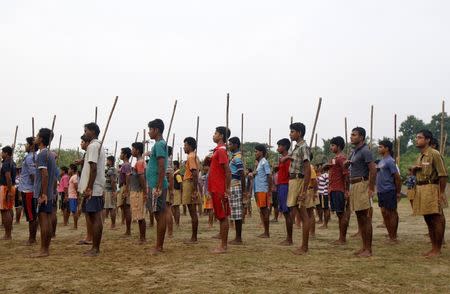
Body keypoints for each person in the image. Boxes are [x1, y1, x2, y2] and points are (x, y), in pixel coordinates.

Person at [412, 130, 447, 257]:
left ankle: (437, 249)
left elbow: (443, 175)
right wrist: (414, 170)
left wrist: (441, 192)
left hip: (432, 187)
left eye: (420, 137)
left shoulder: (434, 154)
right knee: (428, 219)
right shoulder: (421, 155)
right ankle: (433, 247)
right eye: (417, 137)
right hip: (421, 188)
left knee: (435, 219)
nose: (417, 139)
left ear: (427, 140)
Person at [281, 122, 311, 255]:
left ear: (299, 132)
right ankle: (302, 245)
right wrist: (287, 157)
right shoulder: (297, 148)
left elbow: (307, 169)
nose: (290, 134)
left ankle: (304, 247)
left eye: (292, 131)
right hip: (293, 180)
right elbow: (295, 159)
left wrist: (304, 190)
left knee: (303, 215)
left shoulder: (303, 147)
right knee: (296, 210)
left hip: (299, 180)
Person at [347, 127, 377, 258]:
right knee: (360, 217)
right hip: (354, 184)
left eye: (354, 135)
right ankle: (364, 247)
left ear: (361, 137)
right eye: (351, 134)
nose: (351, 137)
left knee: (365, 218)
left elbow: (373, 170)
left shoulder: (365, 151)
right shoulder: (354, 152)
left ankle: (368, 249)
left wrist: (370, 188)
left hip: (362, 184)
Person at [78, 122, 106, 257]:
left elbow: (93, 168)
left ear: (93, 132)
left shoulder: (94, 146)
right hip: (93, 187)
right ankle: (94, 247)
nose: (84, 133)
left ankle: (95, 248)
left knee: (95, 218)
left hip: (93, 188)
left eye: (86, 130)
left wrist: (89, 187)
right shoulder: (96, 146)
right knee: (92, 216)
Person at [32, 128, 56, 257]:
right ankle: (45, 249)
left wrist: (43, 194)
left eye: (37, 136)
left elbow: (45, 175)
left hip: (43, 193)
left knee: (43, 220)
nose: (35, 138)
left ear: (41, 139)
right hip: (48, 192)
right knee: (46, 219)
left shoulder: (42, 154)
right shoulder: (50, 154)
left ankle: (44, 250)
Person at [208, 126, 232, 254]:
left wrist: (227, 189)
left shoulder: (221, 151)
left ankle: (224, 246)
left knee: (223, 217)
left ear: (221, 136)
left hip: (220, 188)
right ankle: (223, 244)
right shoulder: (217, 151)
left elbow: (228, 171)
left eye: (215, 133)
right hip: (215, 187)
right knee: (221, 216)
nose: (213, 135)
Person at [146, 119, 168, 255]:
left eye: (150, 129)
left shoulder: (160, 144)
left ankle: (159, 247)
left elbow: (161, 165)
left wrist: (159, 186)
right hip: (155, 184)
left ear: (156, 130)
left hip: (157, 185)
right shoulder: (159, 145)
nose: (149, 132)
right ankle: (159, 245)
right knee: (157, 213)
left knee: (159, 214)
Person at [376, 140, 402, 243]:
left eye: (381, 147)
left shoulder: (390, 161)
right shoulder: (382, 161)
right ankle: (390, 233)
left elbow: (397, 177)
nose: (379, 149)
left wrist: (398, 192)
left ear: (387, 148)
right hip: (381, 191)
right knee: (384, 212)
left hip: (389, 190)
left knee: (391, 213)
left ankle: (393, 237)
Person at [328, 136, 350, 245]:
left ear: (339, 146)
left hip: (339, 189)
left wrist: (346, 190)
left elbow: (346, 174)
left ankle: (343, 238)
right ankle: (341, 237)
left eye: (333, 145)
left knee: (341, 214)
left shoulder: (341, 158)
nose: (330, 147)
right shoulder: (334, 159)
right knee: (339, 214)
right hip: (333, 189)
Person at [18, 137, 38, 245]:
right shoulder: (31, 157)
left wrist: (36, 189)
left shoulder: (31, 158)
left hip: (29, 190)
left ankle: (32, 239)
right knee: (32, 215)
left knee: (31, 216)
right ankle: (32, 238)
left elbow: (33, 175)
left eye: (27, 144)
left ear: (31, 146)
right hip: (28, 190)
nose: (25, 146)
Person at [182, 137, 200, 244]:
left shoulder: (191, 156)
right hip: (189, 183)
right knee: (192, 211)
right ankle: (193, 237)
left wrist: (194, 190)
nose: (184, 147)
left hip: (190, 183)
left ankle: (194, 238)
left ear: (190, 146)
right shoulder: (193, 156)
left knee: (193, 212)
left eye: (185, 145)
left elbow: (194, 173)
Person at [228, 137, 245, 245]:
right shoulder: (234, 157)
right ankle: (237, 237)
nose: (229, 146)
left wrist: (243, 191)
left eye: (230, 144)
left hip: (235, 186)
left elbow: (242, 174)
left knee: (237, 213)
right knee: (235, 212)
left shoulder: (237, 158)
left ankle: (238, 238)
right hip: (233, 185)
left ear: (235, 145)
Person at [129, 142, 147, 244]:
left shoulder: (140, 162)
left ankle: (143, 238)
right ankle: (142, 237)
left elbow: (141, 177)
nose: (132, 151)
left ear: (138, 151)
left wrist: (144, 192)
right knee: (139, 215)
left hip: (138, 192)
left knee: (140, 216)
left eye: (133, 149)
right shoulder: (139, 162)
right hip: (137, 191)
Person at [254, 144, 272, 238]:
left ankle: (267, 232)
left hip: (263, 189)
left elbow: (269, 176)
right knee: (262, 210)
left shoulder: (264, 162)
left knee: (265, 210)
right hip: (259, 189)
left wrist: (269, 190)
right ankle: (265, 231)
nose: (255, 153)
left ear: (261, 152)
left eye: (256, 151)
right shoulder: (260, 163)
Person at [276, 138, 292, 245]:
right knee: (285, 212)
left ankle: (289, 239)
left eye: (279, 146)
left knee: (287, 213)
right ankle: (288, 237)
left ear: (285, 147)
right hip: (281, 186)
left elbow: (290, 173)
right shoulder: (282, 159)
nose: (278, 148)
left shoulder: (288, 160)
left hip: (285, 186)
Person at [0, 146, 17, 240]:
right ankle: (8, 233)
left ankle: (7, 235)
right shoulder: (12, 162)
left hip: (6, 187)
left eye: (2, 152)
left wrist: (9, 191)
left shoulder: (6, 163)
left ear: (6, 153)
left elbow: (8, 177)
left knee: (4, 210)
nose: (1, 154)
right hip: (11, 187)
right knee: (9, 209)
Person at [117, 148, 132, 236]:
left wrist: (126, 190)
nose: (120, 154)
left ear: (125, 155)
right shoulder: (124, 165)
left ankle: (128, 230)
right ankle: (127, 230)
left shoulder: (126, 165)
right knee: (124, 208)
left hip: (125, 187)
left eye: (121, 153)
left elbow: (128, 177)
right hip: (123, 187)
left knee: (126, 209)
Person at [104, 156, 117, 229]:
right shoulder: (110, 169)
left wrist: (113, 191)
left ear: (111, 161)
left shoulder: (111, 169)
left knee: (111, 207)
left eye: (107, 160)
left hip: (110, 190)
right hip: (108, 190)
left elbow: (113, 181)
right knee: (109, 207)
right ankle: (112, 224)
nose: (106, 162)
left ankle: (113, 225)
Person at [67, 164, 79, 230]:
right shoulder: (73, 176)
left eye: (69, 169)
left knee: (74, 211)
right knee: (74, 211)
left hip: (73, 196)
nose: (68, 170)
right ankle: (75, 226)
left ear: (72, 170)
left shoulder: (74, 177)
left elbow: (76, 185)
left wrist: (77, 194)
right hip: (72, 196)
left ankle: (75, 226)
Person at [172, 160, 183, 227]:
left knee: (176, 207)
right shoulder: (175, 173)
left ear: (175, 165)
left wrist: (181, 192)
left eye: (173, 165)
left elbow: (180, 183)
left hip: (176, 191)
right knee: (174, 207)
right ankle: (176, 221)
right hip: (175, 191)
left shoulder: (177, 174)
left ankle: (177, 222)